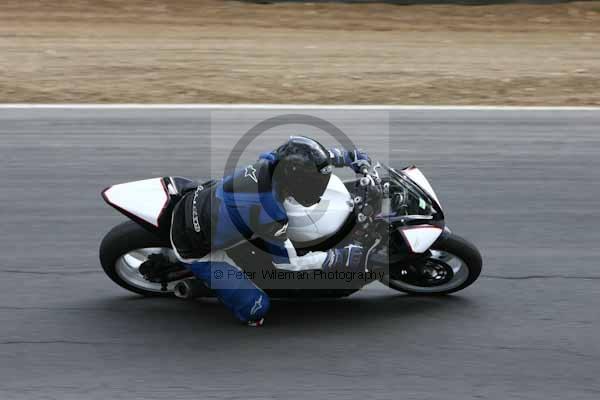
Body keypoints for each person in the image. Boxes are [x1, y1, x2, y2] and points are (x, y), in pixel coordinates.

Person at [167, 136, 370, 326]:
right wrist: (334, 257)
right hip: (196, 247)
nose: (318, 187)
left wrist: (346, 157)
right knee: (257, 309)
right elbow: (288, 263)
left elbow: (303, 155)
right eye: (315, 183)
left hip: (200, 200)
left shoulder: (273, 161)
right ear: (298, 181)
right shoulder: (270, 211)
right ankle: (206, 283)